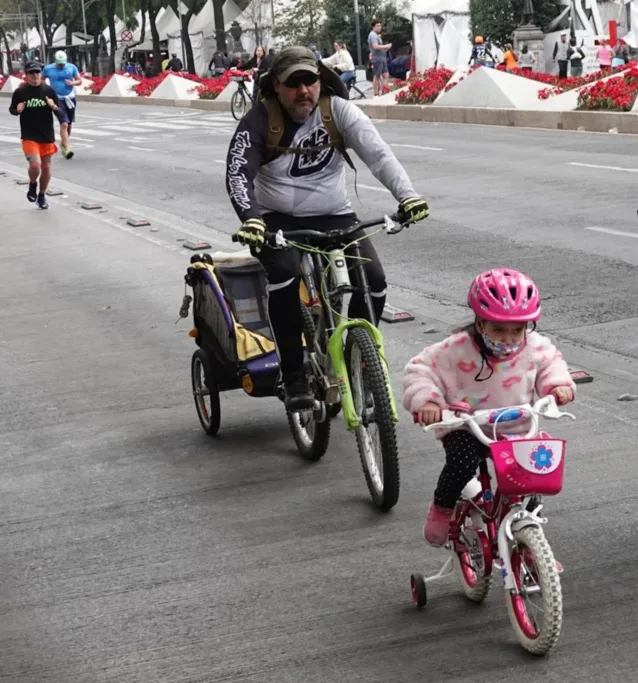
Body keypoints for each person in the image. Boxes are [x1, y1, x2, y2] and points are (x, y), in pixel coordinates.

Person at [226, 46, 429, 410]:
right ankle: (295, 376)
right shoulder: (259, 120)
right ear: (276, 87)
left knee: (375, 280)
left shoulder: (338, 112)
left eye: (310, 81)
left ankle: (357, 355)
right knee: (285, 276)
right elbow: (238, 172)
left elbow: (379, 155)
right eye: (293, 84)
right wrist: (251, 219)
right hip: (275, 218)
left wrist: (407, 196)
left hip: (335, 213)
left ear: (321, 81)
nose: (304, 91)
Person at [402, 268, 576, 546]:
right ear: (480, 324)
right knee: (461, 463)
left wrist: (557, 387)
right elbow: (420, 370)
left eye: (517, 330)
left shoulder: (535, 347)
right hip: (465, 424)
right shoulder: (455, 349)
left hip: (515, 425)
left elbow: (551, 364)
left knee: (532, 480)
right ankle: (442, 507)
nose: (508, 339)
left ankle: (531, 544)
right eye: (498, 329)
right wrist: (429, 402)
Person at [8, 61, 66, 210]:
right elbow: (12, 109)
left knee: (46, 167)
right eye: (32, 73)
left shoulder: (49, 90)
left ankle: (42, 196)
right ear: (26, 75)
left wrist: (54, 108)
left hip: (46, 134)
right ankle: (33, 184)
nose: (35, 76)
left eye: (38, 72)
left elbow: (59, 111)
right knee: (35, 164)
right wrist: (18, 110)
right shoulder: (20, 92)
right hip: (29, 134)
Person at [41, 50, 81, 159]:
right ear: (55, 61)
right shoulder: (48, 69)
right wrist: (47, 90)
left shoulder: (71, 67)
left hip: (70, 98)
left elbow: (79, 80)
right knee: (64, 123)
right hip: (57, 99)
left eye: (63, 63)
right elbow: (41, 80)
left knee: (69, 124)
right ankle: (66, 149)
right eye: (59, 63)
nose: (61, 65)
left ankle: (64, 143)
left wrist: (72, 83)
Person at [368, 20, 392, 96]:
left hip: (382, 58)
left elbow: (378, 47)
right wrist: (386, 46)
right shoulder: (372, 35)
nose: (379, 27)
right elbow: (375, 46)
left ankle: (385, 91)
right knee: (377, 76)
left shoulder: (376, 35)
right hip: (377, 59)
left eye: (380, 26)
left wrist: (385, 48)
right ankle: (375, 93)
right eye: (377, 26)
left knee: (386, 75)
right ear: (373, 27)